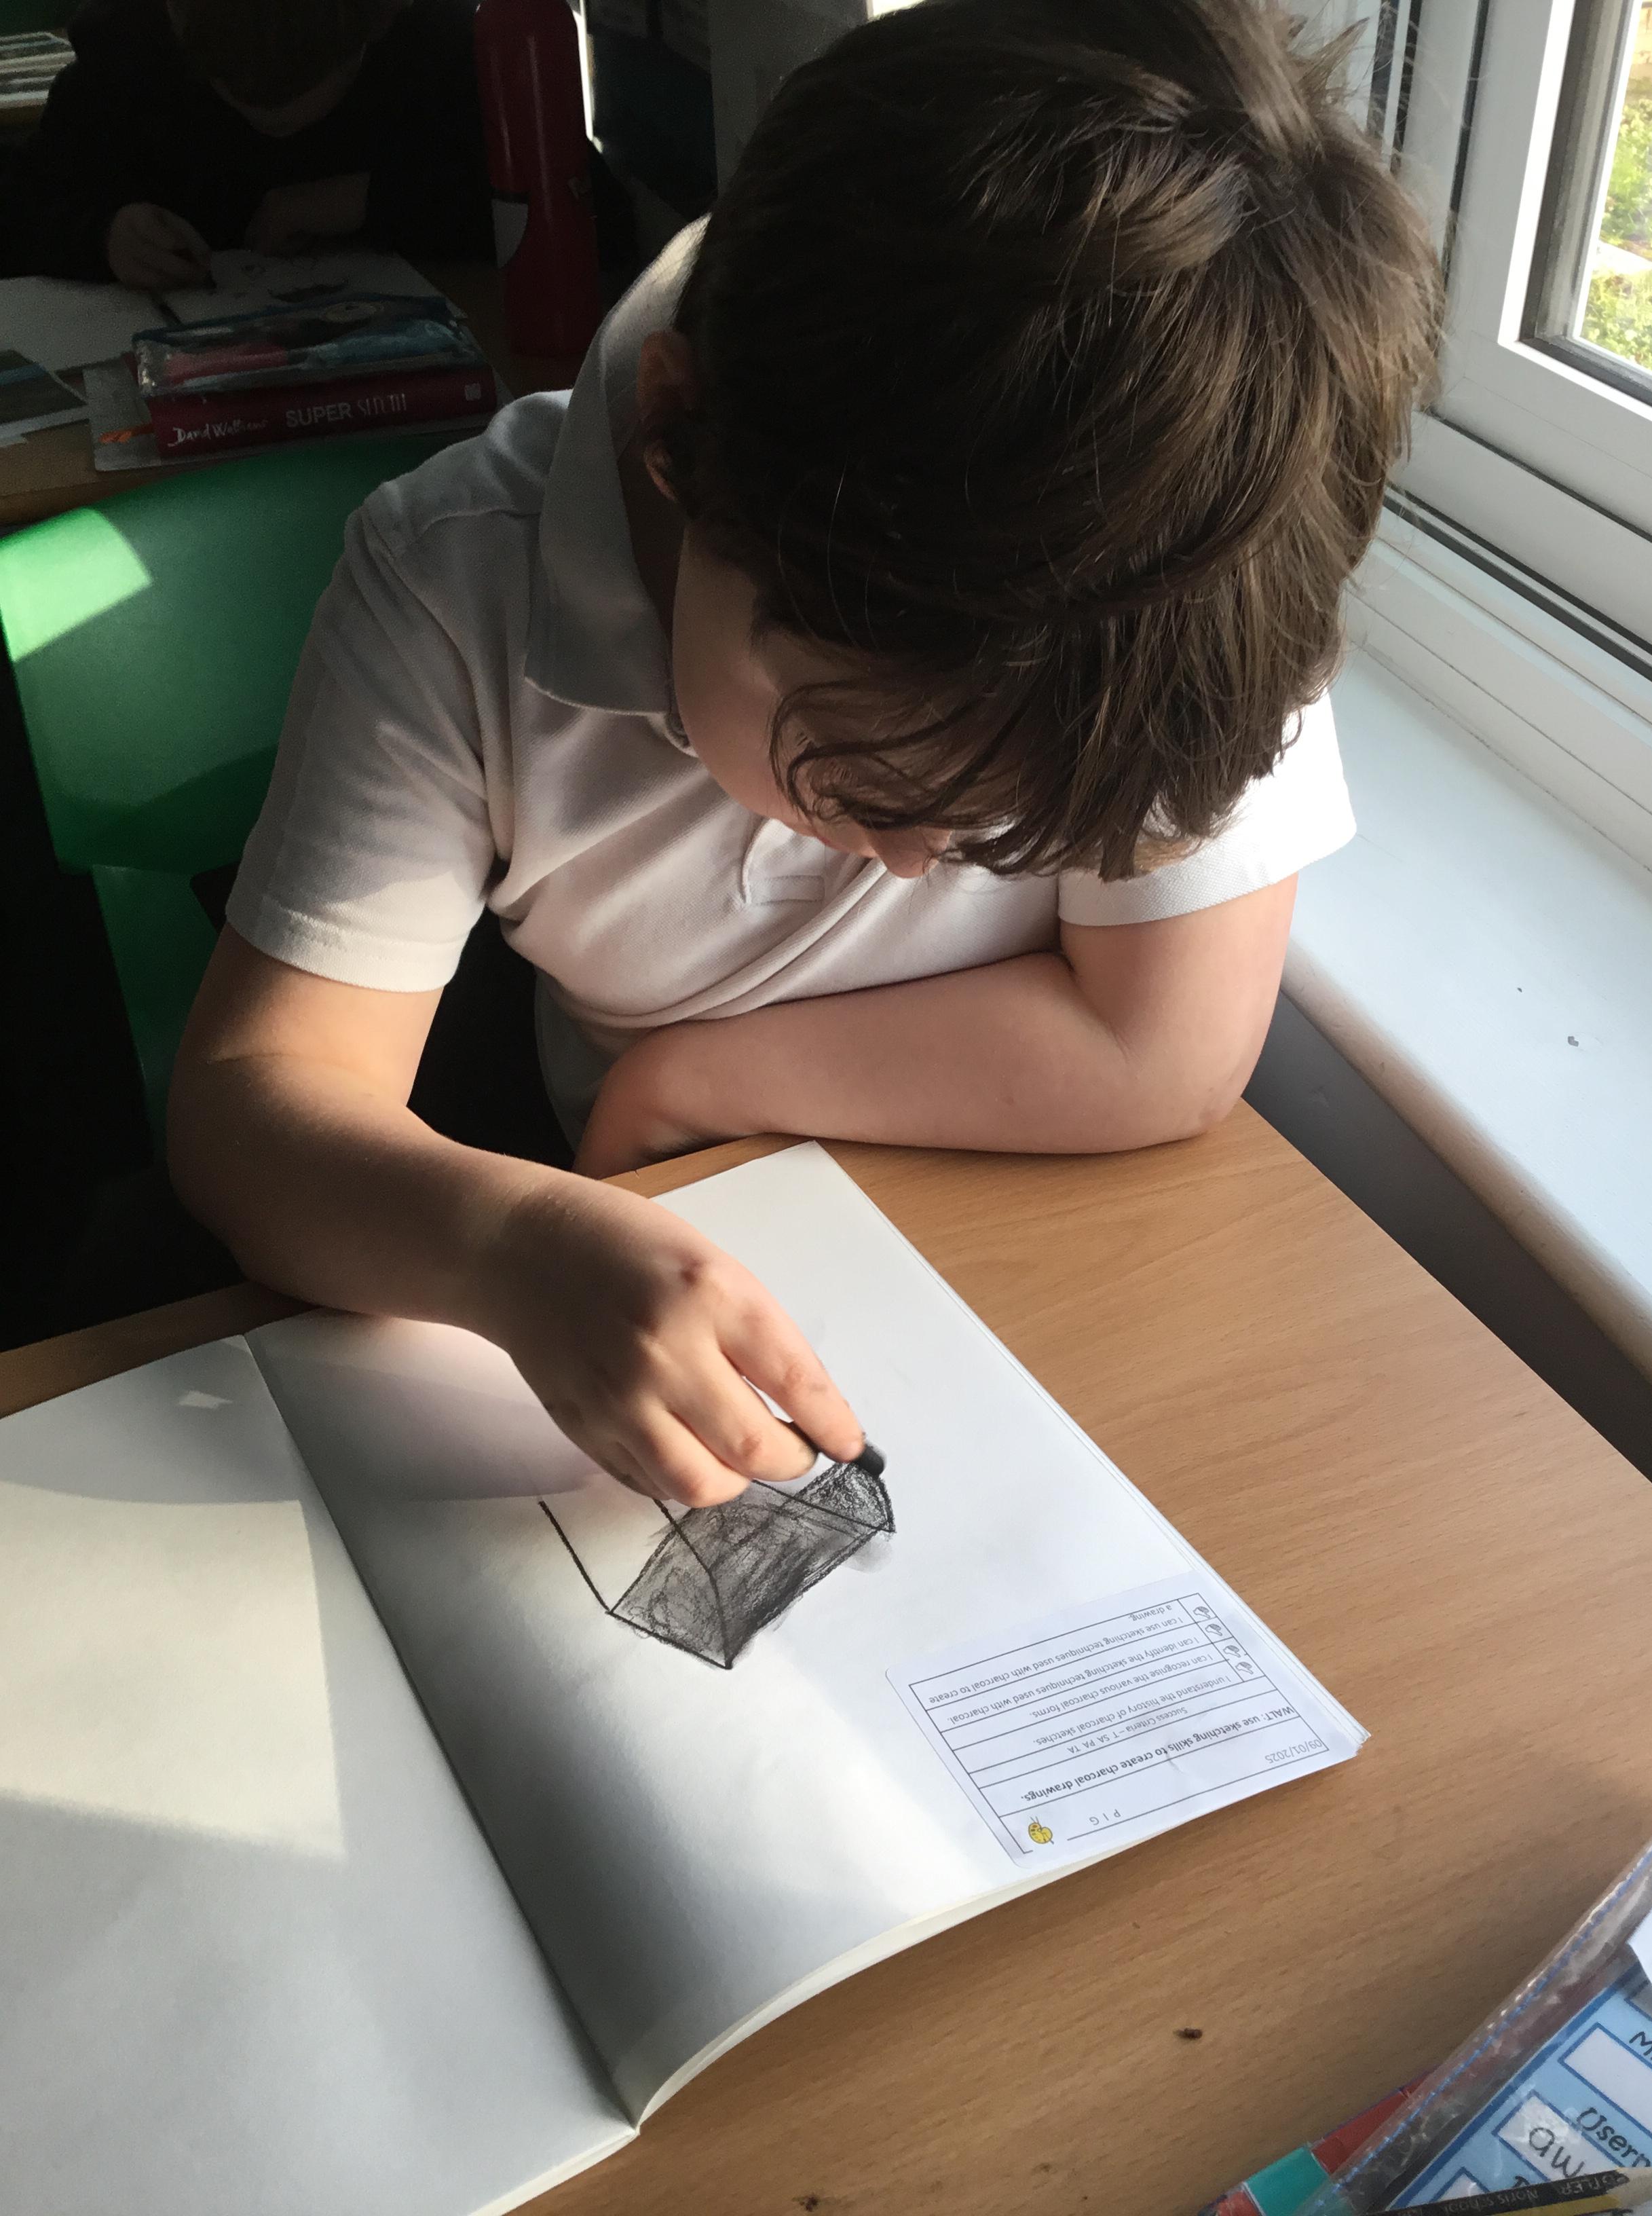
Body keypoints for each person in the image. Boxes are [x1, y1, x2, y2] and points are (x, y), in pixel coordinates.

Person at [168, 0, 1441, 1515]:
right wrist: (509, 1243)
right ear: (675, 440)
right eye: (856, 773)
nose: (917, 861)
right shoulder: (457, 585)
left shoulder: (1185, 576)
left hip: (1019, 1268)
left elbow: (1168, 1048)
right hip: (654, 1262)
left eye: (1016, 834)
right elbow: (253, 1106)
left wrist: (696, 1075)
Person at [7, 0, 491, 287]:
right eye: (230, 84)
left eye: (308, 81)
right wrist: (103, 235)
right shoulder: (123, 54)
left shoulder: (447, 47)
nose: (273, 120)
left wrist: (369, 199)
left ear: (385, 15)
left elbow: (523, 208)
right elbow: (25, 204)